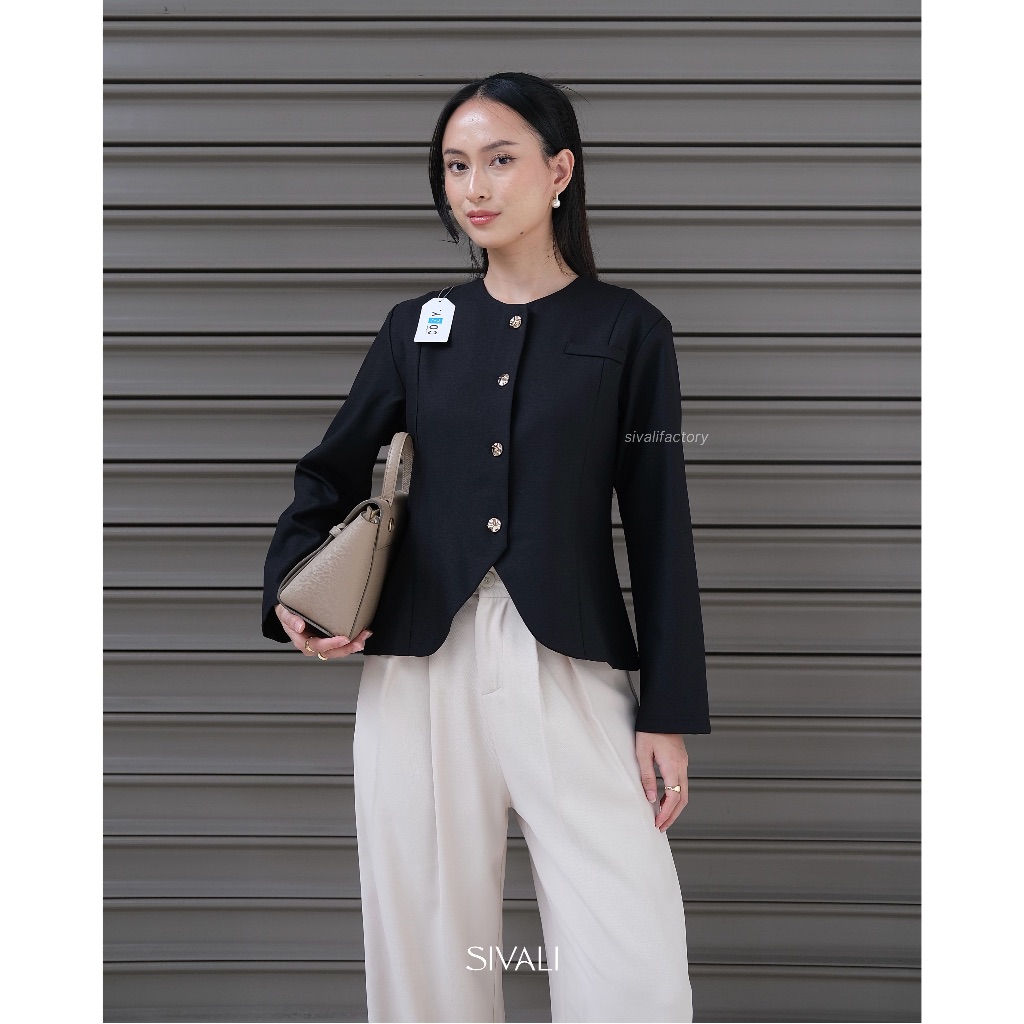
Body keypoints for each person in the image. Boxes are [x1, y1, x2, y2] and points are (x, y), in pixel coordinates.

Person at [261, 71, 711, 1024]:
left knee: (628, 951)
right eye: (457, 165)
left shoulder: (628, 331)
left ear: (560, 171)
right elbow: (327, 474)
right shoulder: (416, 329)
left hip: (569, 663)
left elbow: (660, 525)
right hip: (419, 666)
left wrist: (665, 711)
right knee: (425, 942)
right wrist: (293, 597)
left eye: (500, 160)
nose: (475, 186)